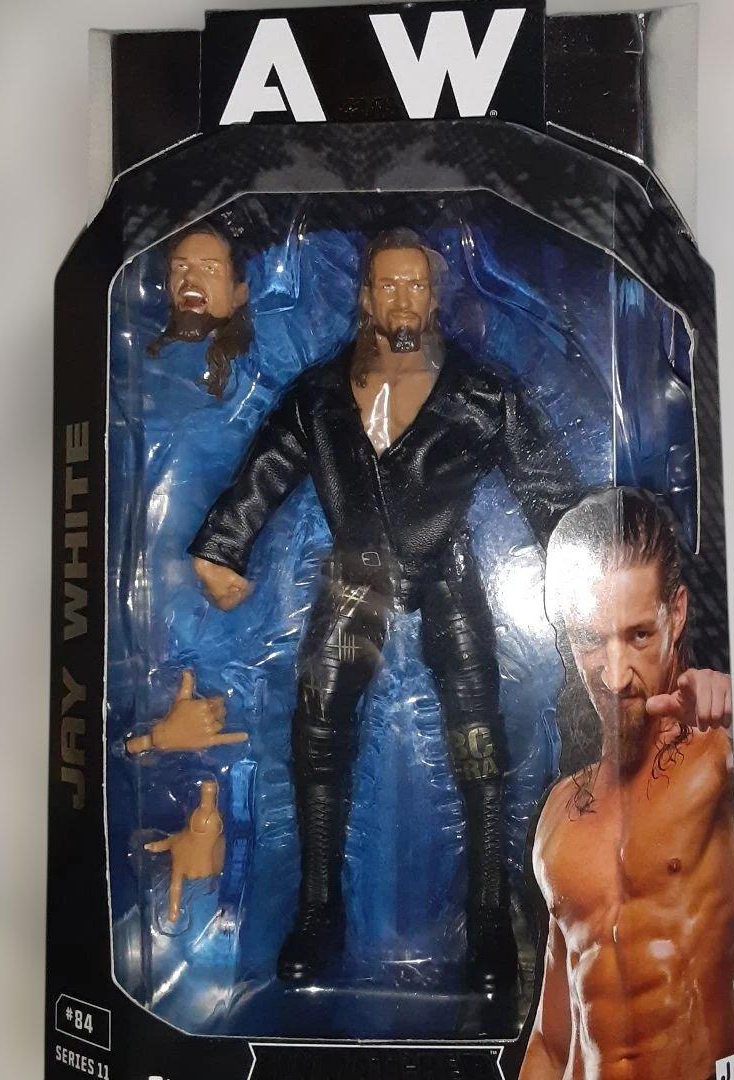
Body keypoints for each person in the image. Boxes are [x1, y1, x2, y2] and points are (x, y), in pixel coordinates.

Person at [187, 228, 582, 989]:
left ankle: (490, 917)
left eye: (416, 285)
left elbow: (546, 484)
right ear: (366, 296)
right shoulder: (319, 395)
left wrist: (589, 564)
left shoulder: (481, 393)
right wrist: (224, 545)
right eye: (388, 285)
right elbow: (267, 466)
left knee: (477, 734)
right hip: (354, 574)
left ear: (435, 297)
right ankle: (317, 910)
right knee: (318, 727)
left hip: (448, 570)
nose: (403, 299)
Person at [522, 487, 734, 1080]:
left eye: (638, 635)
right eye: (592, 640)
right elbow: (550, 1042)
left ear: (677, 613)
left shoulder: (722, 760)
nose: (615, 676)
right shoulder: (561, 813)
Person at [149, 220, 252, 398]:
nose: (190, 276)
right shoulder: (141, 347)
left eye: (209, 268)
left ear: (238, 294)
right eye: (181, 267)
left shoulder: (253, 367)